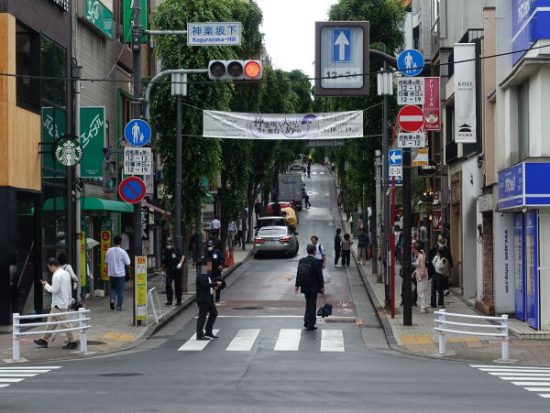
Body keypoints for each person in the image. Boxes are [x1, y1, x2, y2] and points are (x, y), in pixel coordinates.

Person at [33, 257, 78, 350]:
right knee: (51, 323)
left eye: (49, 267)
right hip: (63, 302)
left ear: (52, 265)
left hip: (58, 303)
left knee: (65, 324)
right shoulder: (66, 273)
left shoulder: (56, 275)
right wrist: (70, 300)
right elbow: (68, 289)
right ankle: (44, 340)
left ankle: (72, 342)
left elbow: (54, 290)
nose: (49, 269)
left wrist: (46, 285)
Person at [295, 244, 325, 331]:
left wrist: (297, 285)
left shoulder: (302, 260)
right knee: (312, 305)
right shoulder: (317, 262)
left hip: (304, 285)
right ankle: (311, 323)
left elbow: (299, 273)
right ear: (314, 251)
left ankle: (306, 321)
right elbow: (319, 276)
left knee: (308, 303)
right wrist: (322, 287)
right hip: (313, 286)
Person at [195, 258, 222, 341]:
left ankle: (208, 331)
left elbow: (208, 283)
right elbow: (205, 284)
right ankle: (199, 335)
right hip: (203, 298)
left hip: (208, 298)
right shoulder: (201, 273)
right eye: (209, 265)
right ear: (205, 265)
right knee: (202, 316)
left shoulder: (206, 273)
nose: (210, 267)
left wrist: (214, 286)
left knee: (214, 313)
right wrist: (215, 283)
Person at [106, 235, 131, 311]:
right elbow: (128, 263)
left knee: (112, 288)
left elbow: (106, 263)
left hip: (111, 273)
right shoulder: (123, 252)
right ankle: (119, 306)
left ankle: (112, 300)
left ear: (113, 242)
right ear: (121, 242)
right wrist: (129, 270)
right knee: (120, 290)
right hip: (120, 274)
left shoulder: (109, 251)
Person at [163, 241, 185, 306]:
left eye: (169, 244)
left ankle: (179, 301)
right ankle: (169, 300)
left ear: (172, 244)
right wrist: (163, 271)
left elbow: (183, 256)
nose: (168, 246)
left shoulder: (176, 250)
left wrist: (180, 263)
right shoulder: (165, 252)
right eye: (167, 245)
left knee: (178, 286)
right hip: (169, 270)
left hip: (177, 269)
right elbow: (164, 262)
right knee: (168, 283)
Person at [412, 241, 429, 313]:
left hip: (421, 277)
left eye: (413, 249)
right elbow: (419, 267)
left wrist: (420, 277)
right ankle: (424, 306)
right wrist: (414, 273)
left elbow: (422, 267)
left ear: (416, 250)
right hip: (419, 276)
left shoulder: (421, 256)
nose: (413, 251)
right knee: (422, 292)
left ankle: (423, 307)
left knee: (421, 291)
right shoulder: (420, 256)